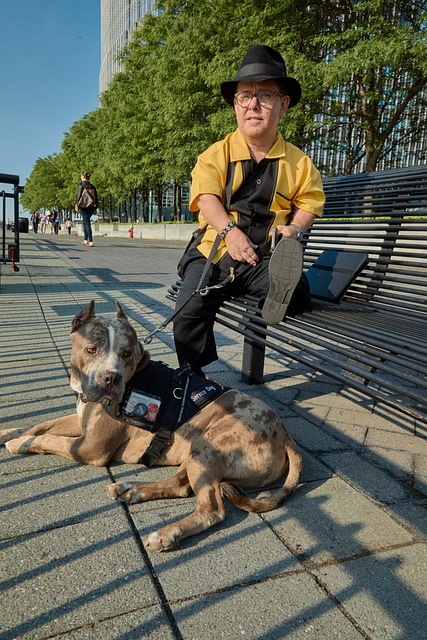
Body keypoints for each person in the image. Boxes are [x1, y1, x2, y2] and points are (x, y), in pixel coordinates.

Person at [173, 44, 325, 377]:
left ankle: (276, 291)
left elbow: (310, 202)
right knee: (189, 307)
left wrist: (295, 230)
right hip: (217, 251)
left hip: (266, 256)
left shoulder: (299, 162)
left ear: (283, 105)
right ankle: (193, 378)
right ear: (235, 105)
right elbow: (207, 198)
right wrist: (230, 232)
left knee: (295, 291)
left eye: (265, 95)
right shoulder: (215, 154)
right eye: (245, 96)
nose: (253, 105)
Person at [75, 171, 98, 247]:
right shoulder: (93, 186)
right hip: (91, 207)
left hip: (83, 206)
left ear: (83, 176)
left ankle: (90, 241)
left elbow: (79, 195)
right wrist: (95, 207)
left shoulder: (81, 185)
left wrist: (76, 204)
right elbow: (96, 198)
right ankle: (85, 240)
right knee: (85, 222)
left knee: (86, 223)